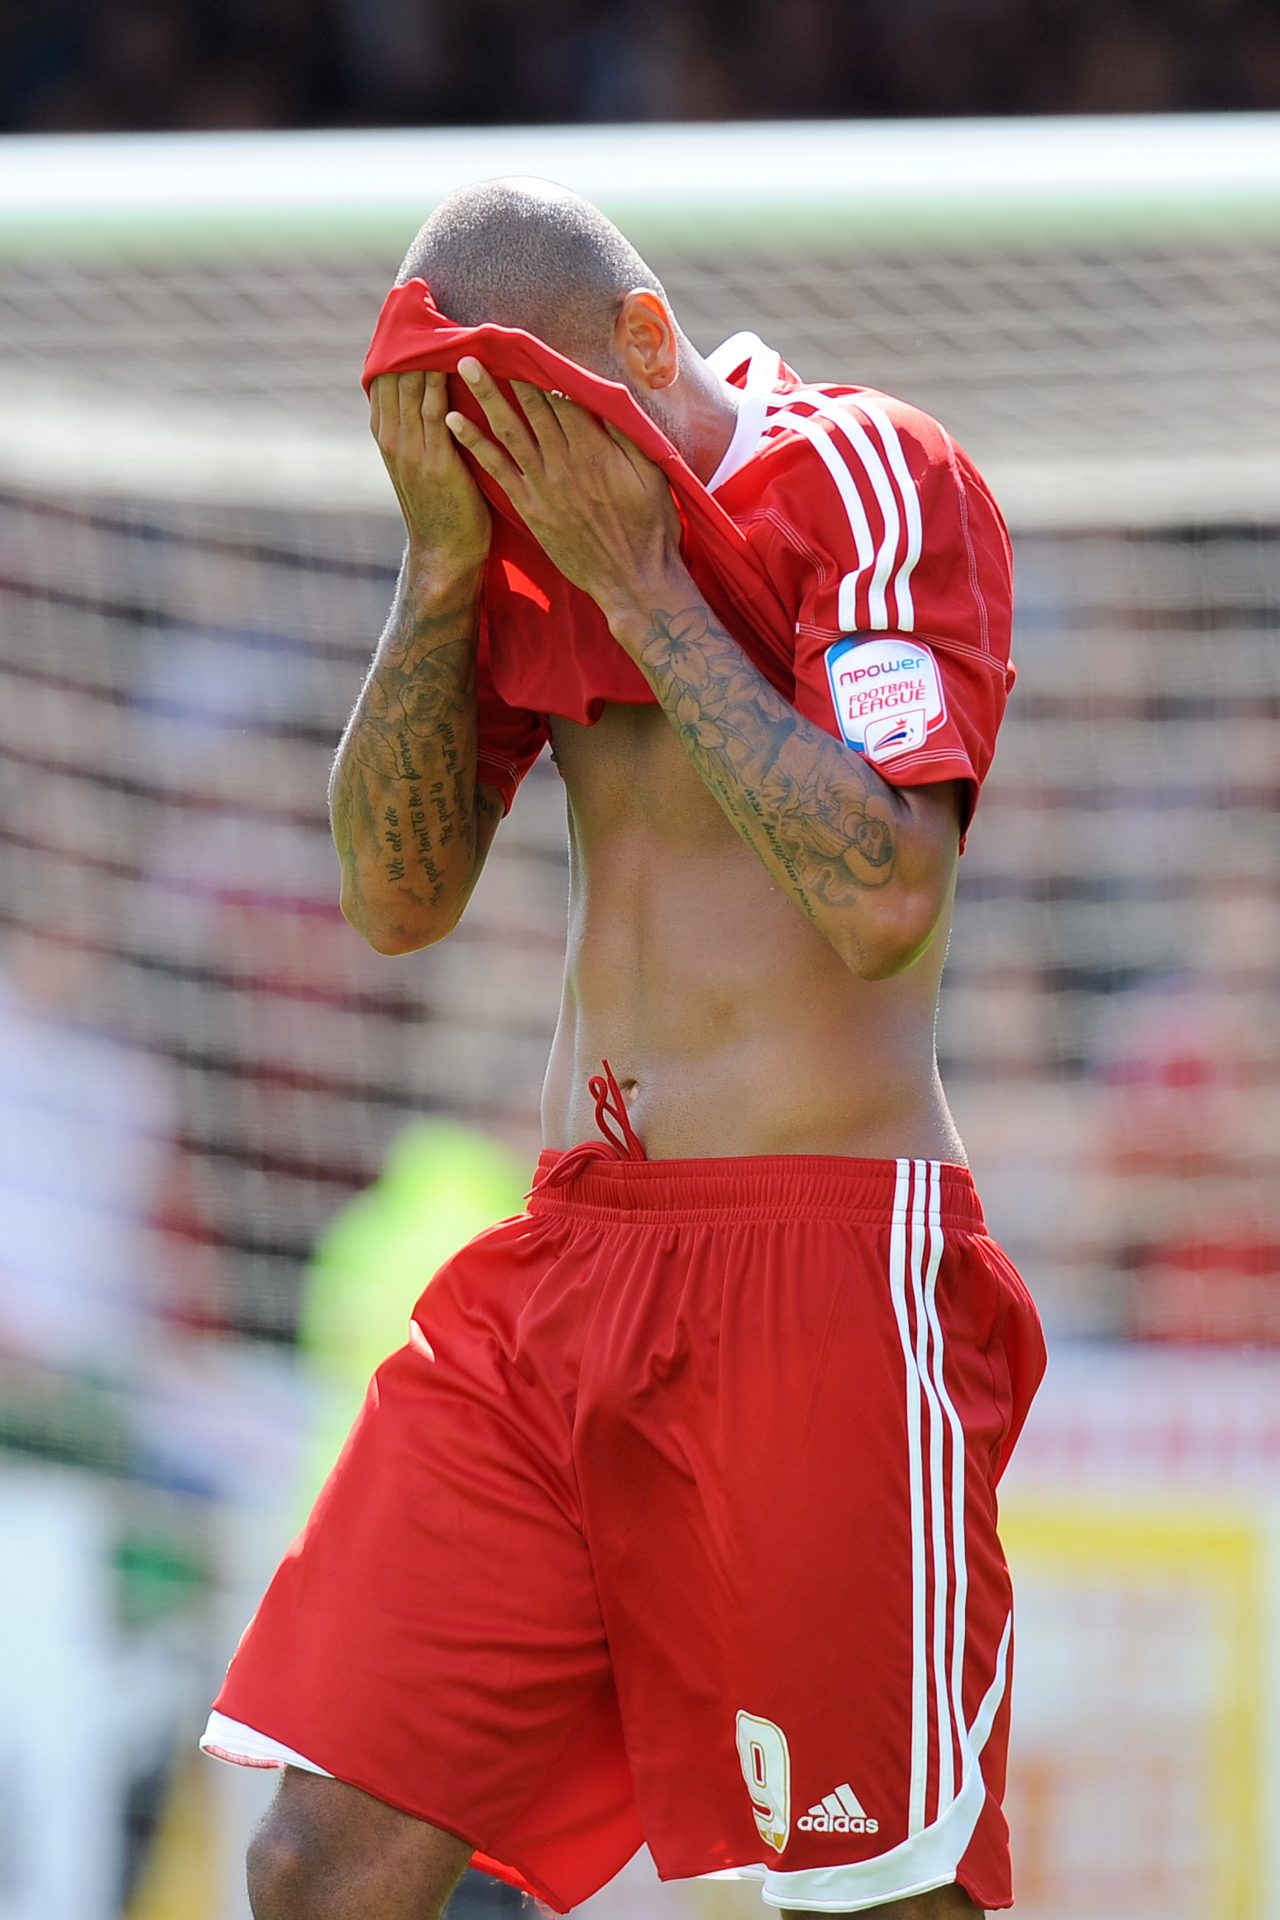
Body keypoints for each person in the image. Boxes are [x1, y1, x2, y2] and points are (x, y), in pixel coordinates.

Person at [201, 178, 1046, 1920]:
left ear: (649, 345)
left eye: (536, 426)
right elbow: (392, 899)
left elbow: (888, 894)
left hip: (821, 1258)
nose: (523, 475)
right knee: (314, 1860)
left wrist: (641, 578)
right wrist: (445, 563)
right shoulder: (515, 545)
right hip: (572, 1260)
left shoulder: (871, 469)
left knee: (876, 1898)